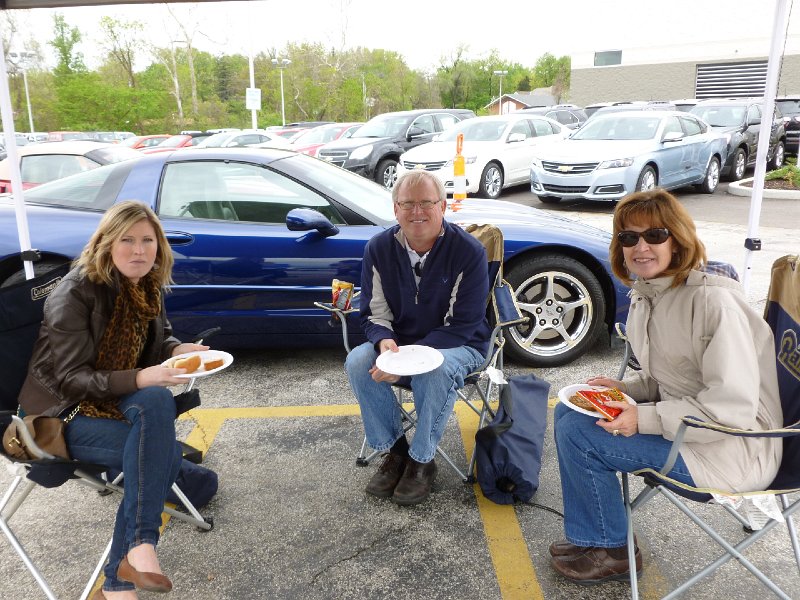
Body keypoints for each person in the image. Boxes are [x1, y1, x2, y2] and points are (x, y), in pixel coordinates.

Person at [550, 189, 783, 584]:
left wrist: (642, 417)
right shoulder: (650, 294)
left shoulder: (713, 303)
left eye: (655, 235)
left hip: (735, 449)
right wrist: (626, 387)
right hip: (695, 430)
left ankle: (613, 550)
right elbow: (673, 376)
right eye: (628, 237)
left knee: (581, 436)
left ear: (677, 241)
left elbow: (731, 408)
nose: (641, 246)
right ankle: (597, 533)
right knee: (569, 410)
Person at [19, 201, 209, 600]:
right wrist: (141, 376)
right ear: (106, 243)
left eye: (147, 240)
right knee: (156, 455)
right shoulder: (72, 295)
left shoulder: (146, 287)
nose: (139, 250)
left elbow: (159, 340)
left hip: (110, 401)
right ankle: (129, 568)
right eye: (127, 240)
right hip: (56, 417)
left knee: (156, 406)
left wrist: (176, 351)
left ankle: (131, 562)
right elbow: (72, 380)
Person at [345, 170, 491, 506]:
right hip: (400, 344)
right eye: (408, 204)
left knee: (434, 370)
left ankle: (422, 460)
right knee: (357, 361)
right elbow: (373, 313)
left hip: (462, 345)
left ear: (443, 206)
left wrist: (406, 363)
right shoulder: (378, 248)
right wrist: (384, 344)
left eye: (426, 203)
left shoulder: (468, 252)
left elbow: (462, 324)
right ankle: (395, 451)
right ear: (395, 209)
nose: (417, 212)